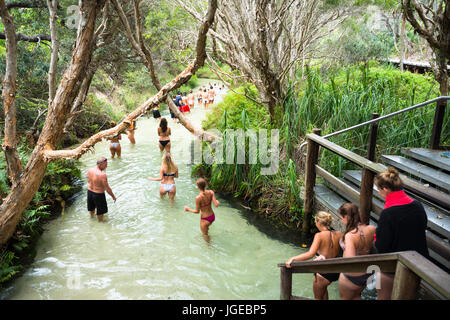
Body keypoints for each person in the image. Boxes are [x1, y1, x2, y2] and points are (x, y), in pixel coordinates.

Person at [373, 166, 428, 300]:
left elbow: (381, 245)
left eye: (378, 189)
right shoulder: (418, 205)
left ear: (385, 189)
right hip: (418, 262)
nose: (378, 192)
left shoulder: (388, 213)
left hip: (394, 266)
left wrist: (376, 235)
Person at [285, 211, 342, 300]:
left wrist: (293, 258)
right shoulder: (339, 234)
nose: (315, 223)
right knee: (324, 291)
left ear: (319, 222)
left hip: (323, 273)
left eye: (315, 221)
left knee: (317, 298)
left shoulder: (319, 235)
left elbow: (310, 254)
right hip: (335, 270)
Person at [337, 203, 376, 300]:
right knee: (356, 296)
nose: (342, 221)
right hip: (366, 273)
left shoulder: (350, 235)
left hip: (350, 276)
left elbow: (351, 260)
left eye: (341, 218)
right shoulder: (371, 229)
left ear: (346, 217)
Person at [184, 178, 220, 242]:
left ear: (197, 186)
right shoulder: (211, 192)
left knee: (205, 235)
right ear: (205, 185)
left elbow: (197, 211)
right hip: (212, 216)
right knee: (206, 229)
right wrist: (217, 201)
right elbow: (216, 205)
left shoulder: (198, 198)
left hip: (205, 219)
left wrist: (188, 209)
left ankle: (209, 248)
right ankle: (206, 231)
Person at [86, 157, 117, 222]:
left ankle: (91, 218)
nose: (106, 166)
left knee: (91, 208)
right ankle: (100, 222)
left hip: (89, 192)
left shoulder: (90, 170)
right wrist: (113, 196)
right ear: (100, 164)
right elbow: (107, 188)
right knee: (100, 211)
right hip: (98, 194)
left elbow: (88, 179)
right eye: (105, 165)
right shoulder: (102, 175)